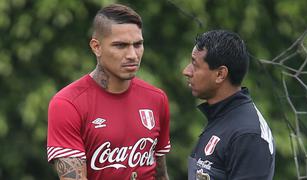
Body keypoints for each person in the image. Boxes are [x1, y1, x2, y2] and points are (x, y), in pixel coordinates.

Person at [47, 4, 171, 180]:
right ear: (96, 47)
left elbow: (160, 175)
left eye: (138, 44)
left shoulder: (156, 99)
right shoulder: (67, 104)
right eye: (120, 45)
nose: (132, 55)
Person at [183, 29, 275, 180]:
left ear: (220, 74)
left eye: (195, 65)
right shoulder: (221, 117)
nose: (186, 71)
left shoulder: (248, 135)